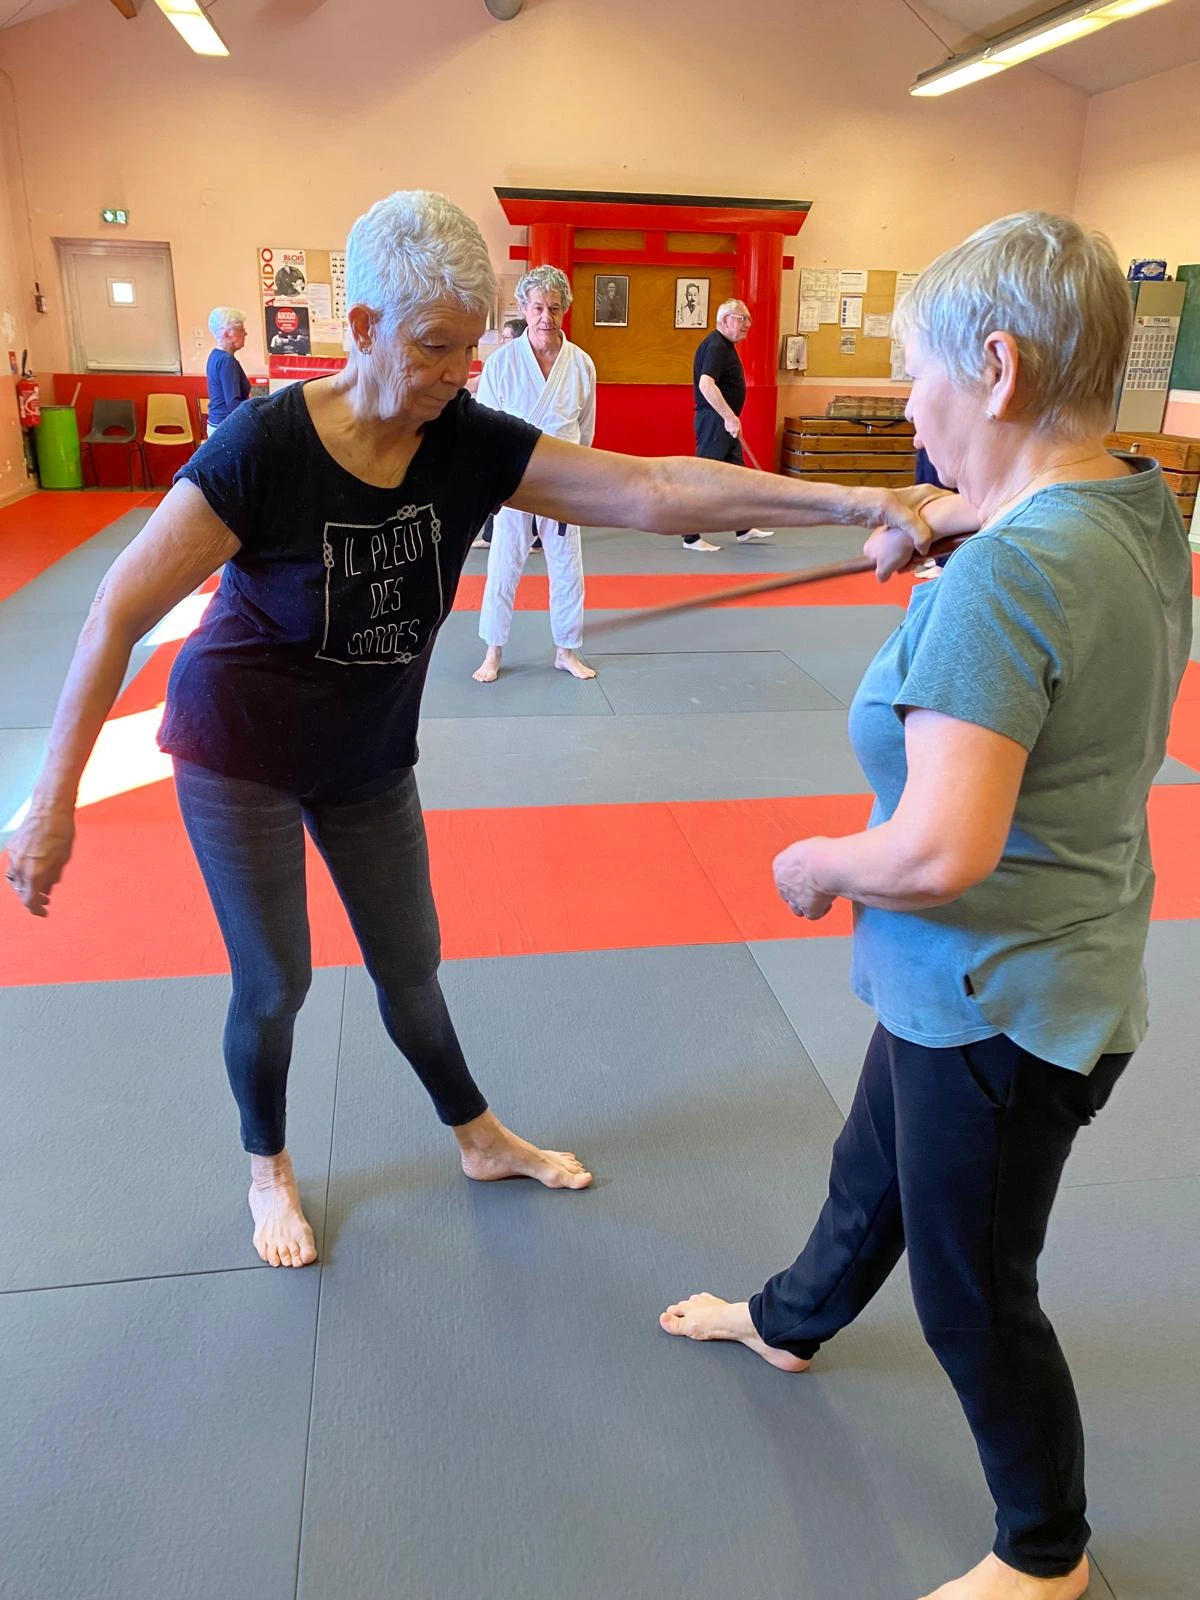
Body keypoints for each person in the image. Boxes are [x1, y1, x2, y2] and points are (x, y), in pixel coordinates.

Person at [4, 189, 930, 1274]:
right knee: (276, 981)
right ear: (363, 329)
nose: (460, 371)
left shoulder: (467, 441)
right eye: (435, 346)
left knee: (412, 966)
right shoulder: (263, 448)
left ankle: (477, 1135)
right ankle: (268, 1165)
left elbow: (653, 487)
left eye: (472, 345)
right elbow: (115, 612)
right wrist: (52, 800)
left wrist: (859, 503)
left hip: (366, 755)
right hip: (238, 749)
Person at [659, 212, 1191, 1600]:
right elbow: (1032, 520)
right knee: (871, 1173)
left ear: (997, 370)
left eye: (918, 372)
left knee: (972, 1293)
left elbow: (942, 848)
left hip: (1005, 1001)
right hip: (1011, 970)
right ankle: (791, 1320)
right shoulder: (1139, 508)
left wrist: (817, 865)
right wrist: (938, 516)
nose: (906, 404)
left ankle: (1046, 1553)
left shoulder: (1009, 580)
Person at [475, 267, 598, 683]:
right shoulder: (502, 363)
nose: (547, 317)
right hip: (514, 479)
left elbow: (585, 428)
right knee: (503, 564)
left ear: (565, 310)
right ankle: (493, 651)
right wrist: (491, 482)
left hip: (563, 479)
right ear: (523, 309)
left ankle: (566, 650)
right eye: (539, 308)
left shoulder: (580, 364)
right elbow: (485, 427)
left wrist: (580, 476)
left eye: (555, 308)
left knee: (567, 566)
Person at [683, 298, 773, 551]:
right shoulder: (716, 346)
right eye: (742, 318)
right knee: (702, 478)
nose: (748, 324)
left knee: (737, 478)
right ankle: (690, 536)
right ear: (725, 320)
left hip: (721, 421)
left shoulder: (724, 345)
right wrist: (729, 417)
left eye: (749, 319)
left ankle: (743, 528)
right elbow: (706, 384)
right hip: (715, 421)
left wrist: (730, 417)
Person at [471, 317, 527, 550]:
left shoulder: (519, 363)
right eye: (502, 337)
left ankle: (533, 539)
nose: (503, 341)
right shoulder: (501, 361)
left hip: (518, 434)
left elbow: (477, 384)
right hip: (503, 432)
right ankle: (490, 535)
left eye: (507, 337)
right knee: (497, 485)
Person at [205, 308, 251, 432]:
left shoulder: (215, 355)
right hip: (225, 427)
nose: (245, 333)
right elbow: (233, 403)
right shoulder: (227, 361)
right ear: (226, 334)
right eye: (241, 329)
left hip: (217, 424)